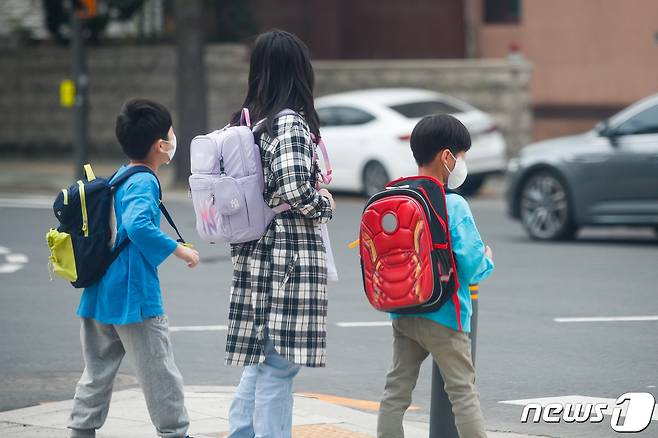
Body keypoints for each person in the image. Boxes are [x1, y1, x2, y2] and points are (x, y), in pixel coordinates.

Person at [225, 30, 336, 438]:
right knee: (279, 365)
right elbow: (293, 188)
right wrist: (324, 203)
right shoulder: (289, 121)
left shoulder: (249, 119)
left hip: (255, 249)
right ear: (297, 71)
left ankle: (241, 432)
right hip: (286, 251)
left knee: (261, 358)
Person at [68, 99, 200, 438]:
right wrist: (178, 250)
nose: (174, 137)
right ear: (160, 145)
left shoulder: (120, 176)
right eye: (171, 132)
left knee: (96, 374)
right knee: (160, 373)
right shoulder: (145, 181)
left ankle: (80, 431)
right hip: (133, 296)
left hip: (99, 292)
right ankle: (175, 432)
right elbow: (139, 226)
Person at [377, 114, 494, 438]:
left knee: (396, 392)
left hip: (403, 310)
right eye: (462, 156)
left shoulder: (397, 195)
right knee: (462, 392)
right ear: (447, 157)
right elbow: (469, 264)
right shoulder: (452, 203)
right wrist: (486, 260)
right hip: (445, 315)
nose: (461, 163)